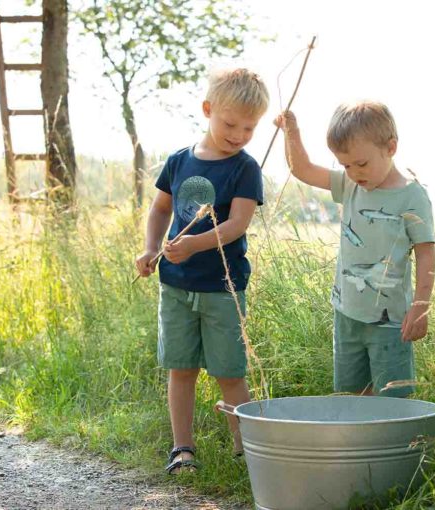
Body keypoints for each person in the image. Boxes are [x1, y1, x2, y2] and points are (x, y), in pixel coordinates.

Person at [135, 68, 269, 473]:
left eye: (250, 127)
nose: (240, 134)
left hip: (222, 287)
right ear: (208, 110)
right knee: (182, 368)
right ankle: (182, 449)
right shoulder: (178, 161)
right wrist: (150, 249)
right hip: (175, 286)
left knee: (229, 371)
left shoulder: (244, 168)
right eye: (231, 123)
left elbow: (236, 225)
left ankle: (247, 450)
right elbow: (160, 210)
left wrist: (193, 244)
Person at [275, 101, 435, 398]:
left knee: (393, 398)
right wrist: (292, 132)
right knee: (351, 397)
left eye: (361, 164)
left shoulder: (413, 196)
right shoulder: (350, 185)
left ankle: (393, 443)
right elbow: (303, 169)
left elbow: (426, 254)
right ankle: (357, 444)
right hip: (347, 314)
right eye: (346, 165)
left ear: (391, 147)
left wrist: (420, 306)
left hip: (390, 322)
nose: (353, 172)